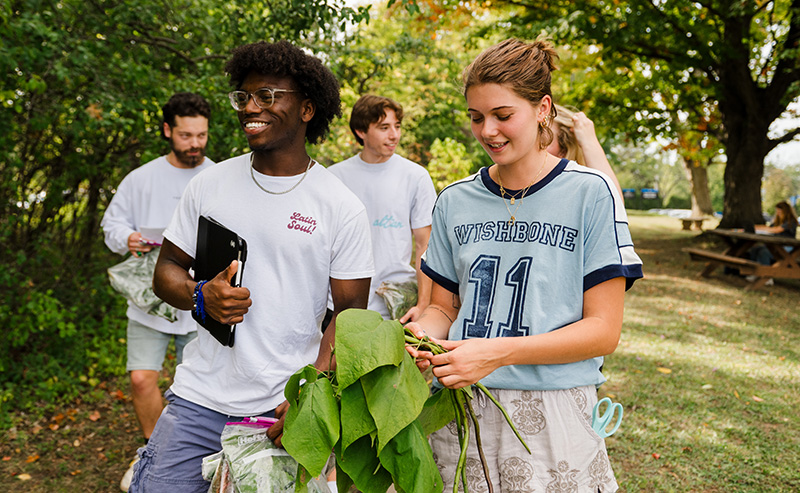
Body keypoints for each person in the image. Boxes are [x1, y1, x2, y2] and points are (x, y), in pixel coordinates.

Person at [128, 41, 374, 492]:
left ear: (306, 109)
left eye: (267, 96)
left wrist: (311, 395)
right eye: (243, 97)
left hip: (281, 407)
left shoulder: (340, 206)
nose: (250, 108)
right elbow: (167, 270)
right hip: (197, 398)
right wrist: (200, 295)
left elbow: (351, 316)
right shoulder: (210, 184)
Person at [405, 37, 643, 491]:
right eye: (476, 118)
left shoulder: (590, 193)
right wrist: (422, 338)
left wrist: (495, 353)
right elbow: (443, 308)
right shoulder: (454, 200)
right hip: (459, 405)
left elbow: (604, 330)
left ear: (542, 109)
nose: (487, 131)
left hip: (555, 412)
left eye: (502, 115)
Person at [100, 92, 215, 492]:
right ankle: (151, 449)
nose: (195, 144)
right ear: (168, 131)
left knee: (195, 388)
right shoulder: (142, 178)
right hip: (148, 303)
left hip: (201, 302)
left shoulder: (218, 176)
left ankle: (198, 458)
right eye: (186, 135)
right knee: (142, 380)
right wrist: (127, 237)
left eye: (201, 135)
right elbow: (112, 225)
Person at [328, 95, 437, 322]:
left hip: (395, 305)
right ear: (361, 131)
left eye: (397, 126)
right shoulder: (335, 178)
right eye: (384, 127)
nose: (394, 135)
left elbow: (424, 244)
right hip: (340, 306)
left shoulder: (415, 176)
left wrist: (424, 304)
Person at [546, 103, 624, 197]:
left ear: (563, 151)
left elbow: (613, 201)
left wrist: (589, 142)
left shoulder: (577, 190)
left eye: (543, 140)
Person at [747, 201, 799, 284]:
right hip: (775, 245)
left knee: (764, 252)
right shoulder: (777, 221)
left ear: (785, 211)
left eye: (780, 211)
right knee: (755, 249)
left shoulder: (791, 222)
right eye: (777, 211)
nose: (778, 213)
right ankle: (755, 272)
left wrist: (762, 229)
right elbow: (769, 228)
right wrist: (755, 227)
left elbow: (776, 230)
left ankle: (767, 276)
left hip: (786, 248)